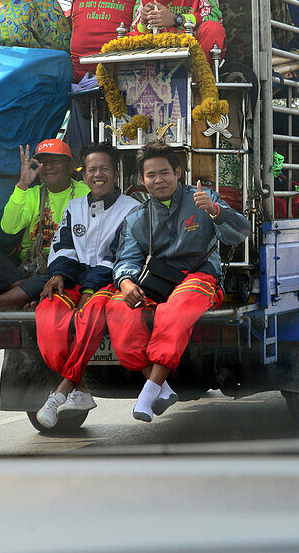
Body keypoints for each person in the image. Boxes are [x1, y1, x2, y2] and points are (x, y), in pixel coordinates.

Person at [106, 141, 251, 422]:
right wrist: (126, 283)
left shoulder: (204, 198)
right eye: (151, 175)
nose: (158, 180)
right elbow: (126, 259)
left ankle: (149, 391)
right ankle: (162, 388)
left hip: (200, 279)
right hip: (156, 283)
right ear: (141, 179)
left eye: (165, 173)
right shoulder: (137, 216)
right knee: (118, 308)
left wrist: (215, 211)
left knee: (175, 310)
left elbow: (241, 232)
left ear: (178, 172)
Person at [32, 143, 141, 428]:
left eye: (104, 168)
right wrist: (58, 275)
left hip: (110, 281)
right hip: (73, 278)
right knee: (48, 312)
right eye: (92, 169)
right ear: (84, 175)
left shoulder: (132, 209)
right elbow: (64, 246)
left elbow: (120, 254)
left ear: (116, 173)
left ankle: (63, 391)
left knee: (91, 315)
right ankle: (79, 388)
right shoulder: (74, 206)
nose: (98, 174)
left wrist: (91, 289)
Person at [0, 139, 90, 313]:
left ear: (70, 166)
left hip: (64, 266)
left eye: (54, 162)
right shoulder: (32, 193)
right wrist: (22, 184)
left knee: (54, 274)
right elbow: (9, 227)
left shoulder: (86, 192)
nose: (48, 167)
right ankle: (29, 294)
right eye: (42, 163)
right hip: (30, 266)